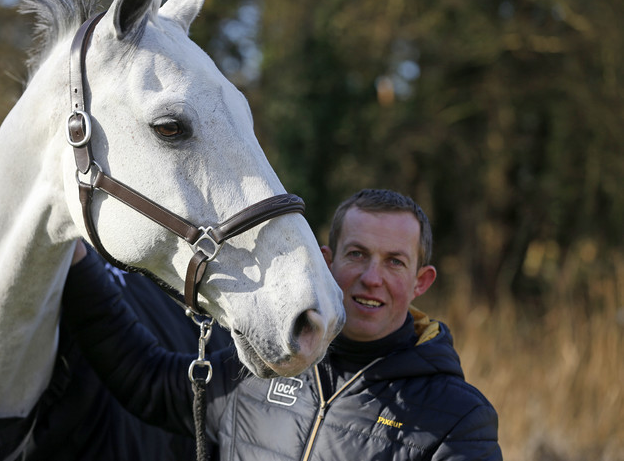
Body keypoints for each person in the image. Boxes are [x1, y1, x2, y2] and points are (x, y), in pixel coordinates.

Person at [62, 189, 502, 460]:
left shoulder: (460, 420)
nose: (372, 277)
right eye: (357, 254)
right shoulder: (263, 366)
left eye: (394, 262)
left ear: (420, 281)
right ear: (327, 262)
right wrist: (78, 264)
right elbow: (147, 380)